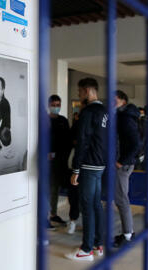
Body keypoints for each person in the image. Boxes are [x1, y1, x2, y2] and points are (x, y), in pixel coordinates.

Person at [66, 78, 107, 261]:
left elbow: (82, 141)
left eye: (80, 91)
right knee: (96, 204)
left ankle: (86, 249)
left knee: (87, 206)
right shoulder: (105, 111)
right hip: (100, 164)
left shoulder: (88, 112)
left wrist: (76, 169)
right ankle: (98, 244)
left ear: (88, 90)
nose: (78, 94)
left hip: (89, 164)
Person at [113, 90, 141, 247]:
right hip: (126, 163)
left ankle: (128, 234)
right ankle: (128, 231)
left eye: (114, 99)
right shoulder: (127, 116)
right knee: (121, 198)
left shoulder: (124, 118)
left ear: (123, 101)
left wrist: (121, 161)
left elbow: (136, 143)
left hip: (123, 164)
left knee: (121, 199)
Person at [48, 95, 79, 233]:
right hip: (47, 161)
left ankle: (53, 215)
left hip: (61, 161)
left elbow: (67, 140)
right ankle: (45, 217)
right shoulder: (44, 121)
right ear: (49, 105)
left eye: (58, 104)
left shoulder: (63, 121)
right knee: (48, 189)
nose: (56, 106)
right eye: (54, 104)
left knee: (55, 188)